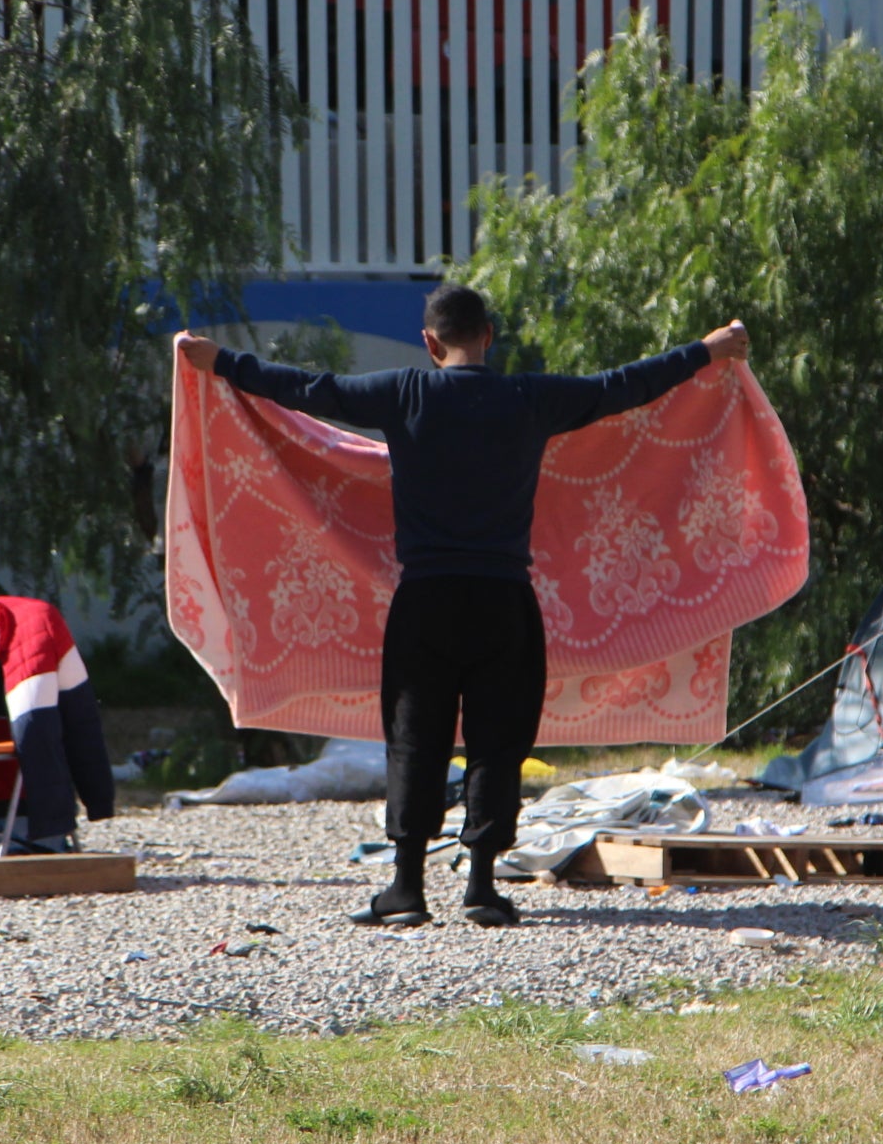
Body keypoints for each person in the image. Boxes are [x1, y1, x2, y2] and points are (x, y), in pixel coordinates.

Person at [175, 283, 749, 928]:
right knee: (498, 742)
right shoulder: (530, 398)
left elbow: (308, 388)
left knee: (415, 739)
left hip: (426, 600)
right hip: (504, 599)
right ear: (490, 336)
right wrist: (707, 350)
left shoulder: (403, 392)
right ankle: (480, 887)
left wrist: (219, 361)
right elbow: (625, 385)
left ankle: (406, 890)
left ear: (428, 342)